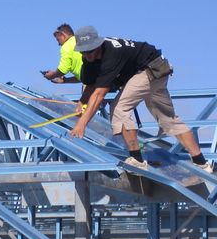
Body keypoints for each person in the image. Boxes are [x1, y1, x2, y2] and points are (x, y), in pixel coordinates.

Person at [69, 25, 213, 173]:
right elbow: (90, 83)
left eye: (91, 51)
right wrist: (82, 101)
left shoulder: (111, 55)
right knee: (168, 119)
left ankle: (137, 160)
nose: (88, 55)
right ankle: (201, 163)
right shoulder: (88, 58)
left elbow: (99, 94)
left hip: (150, 69)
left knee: (119, 108)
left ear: (98, 45)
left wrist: (82, 124)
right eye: (84, 52)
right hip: (157, 69)